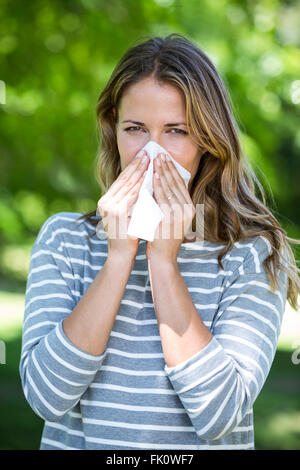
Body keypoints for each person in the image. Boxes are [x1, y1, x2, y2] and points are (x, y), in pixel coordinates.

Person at [19, 33, 300, 450]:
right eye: (135, 129)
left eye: (176, 131)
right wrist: (118, 259)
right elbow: (46, 397)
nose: (152, 153)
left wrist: (164, 263)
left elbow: (219, 415)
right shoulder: (65, 239)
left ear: (208, 140)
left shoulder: (252, 254)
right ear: (112, 127)